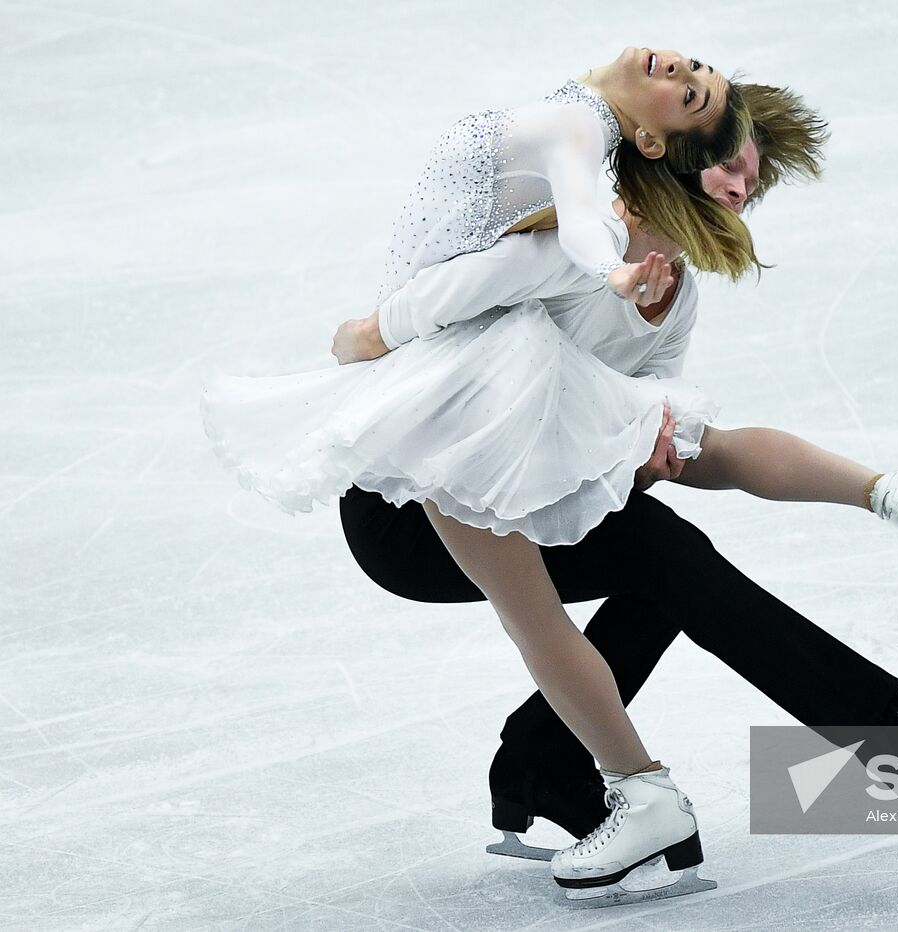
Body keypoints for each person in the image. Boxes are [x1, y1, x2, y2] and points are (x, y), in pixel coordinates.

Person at [330, 91, 898, 897]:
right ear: (673, 158)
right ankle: (848, 742)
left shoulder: (673, 299)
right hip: (415, 504)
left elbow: (701, 450)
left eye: (757, 172)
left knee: (669, 558)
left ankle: (548, 763)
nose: (749, 180)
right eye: (735, 155)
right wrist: (364, 341)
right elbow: (390, 338)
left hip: (528, 496)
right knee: (660, 554)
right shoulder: (562, 255)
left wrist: (888, 494)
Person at [202, 49, 770, 901]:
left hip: (462, 400)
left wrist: (372, 333)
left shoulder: (583, 139)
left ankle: (631, 787)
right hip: (456, 399)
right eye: (693, 70)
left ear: (654, 139)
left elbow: (567, 230)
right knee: (557, 610)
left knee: (562, 608)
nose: (676, 64)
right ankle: (628, 786)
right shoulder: (585, 139)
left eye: (689, 93)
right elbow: (552, 236)